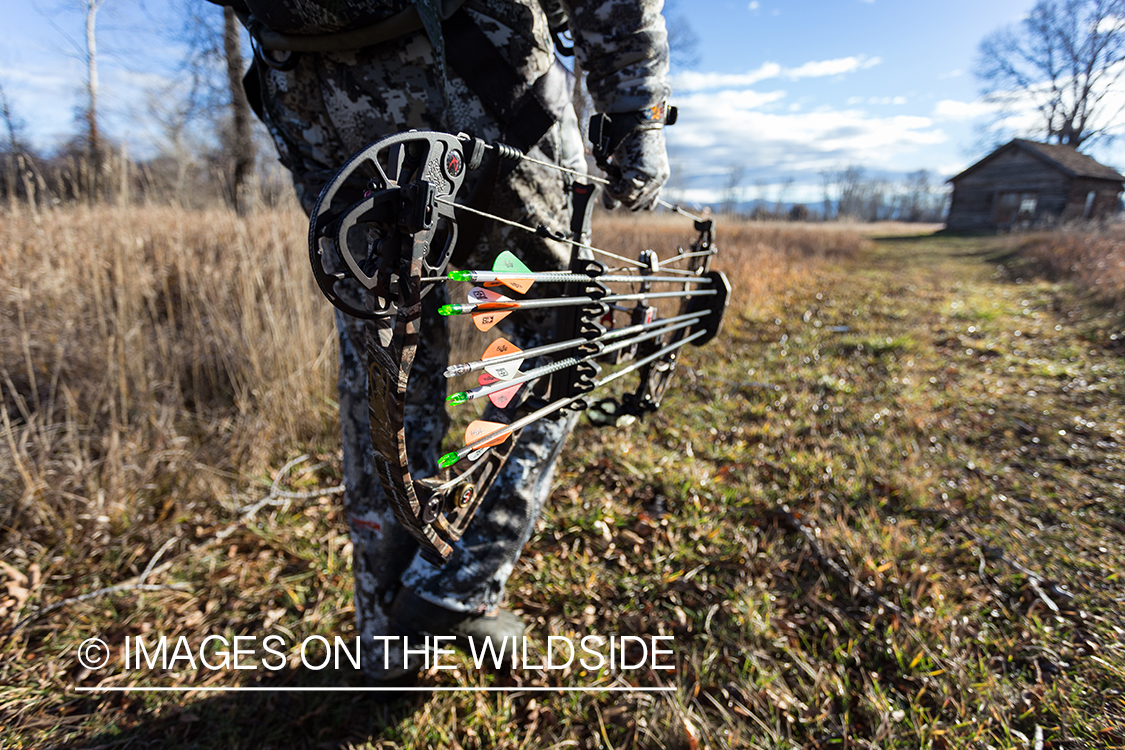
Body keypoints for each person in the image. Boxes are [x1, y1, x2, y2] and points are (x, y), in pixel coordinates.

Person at [221, 0, 673, 683]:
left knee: (384, 363)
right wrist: (634, 108)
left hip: (314, 104)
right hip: (485, 86)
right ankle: (451, 589)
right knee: (553, 336)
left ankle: (387, 640)